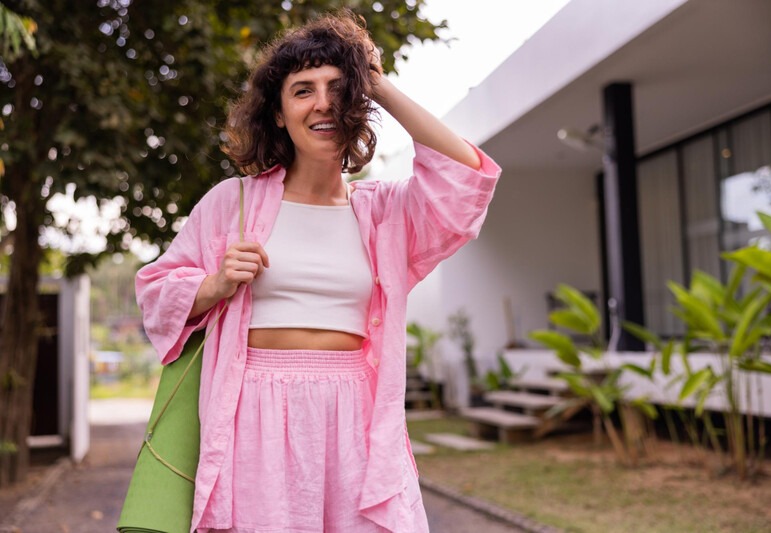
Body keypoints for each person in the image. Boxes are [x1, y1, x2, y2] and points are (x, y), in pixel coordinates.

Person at [135, 10, 501, 533]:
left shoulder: (384, 213)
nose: (323, 103)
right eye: (303, 90)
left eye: (338, 89)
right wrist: (214, 284)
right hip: (254, 410)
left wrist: (377, 84)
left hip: (356, 415)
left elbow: (465, 177)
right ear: (278, 113)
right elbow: (155, 292)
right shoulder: (231, 202)